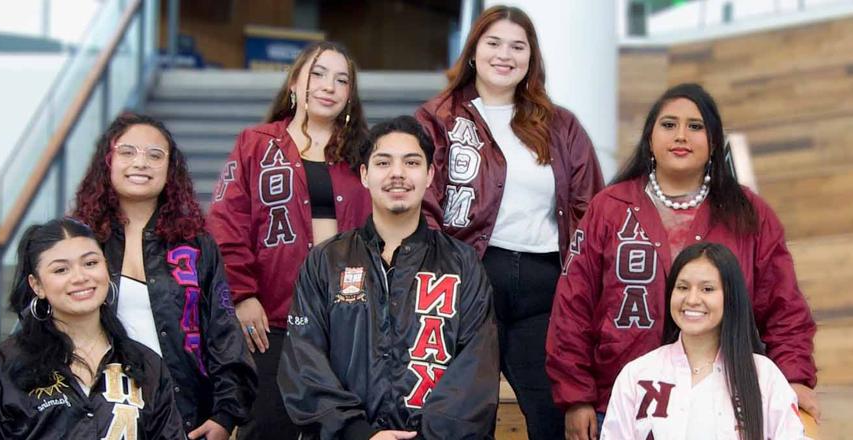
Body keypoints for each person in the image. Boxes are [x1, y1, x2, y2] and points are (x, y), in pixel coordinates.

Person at [547, 83, 818, 440]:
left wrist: (793, 377)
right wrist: (576, 396)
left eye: (695, 126)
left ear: (714, 143)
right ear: (649, 139)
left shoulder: (749, 215)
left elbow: (784, 307)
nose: (681, 136)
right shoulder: (608, 209)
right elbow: (573, 304)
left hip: (727, 401)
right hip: (620, 399)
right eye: (669, 124)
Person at [413, 6, 603, 439]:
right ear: (474, 51)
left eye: (518, 46)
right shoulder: (438, 118)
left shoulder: (560, 125)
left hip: (544, 286)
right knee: (466, 416)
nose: (505, 55)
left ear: (530, 58)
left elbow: (588, 210)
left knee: (550, 415)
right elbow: (423, 205)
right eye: (493, 43)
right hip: (470, 280)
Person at [280, 116, 500, 439]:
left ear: (429, 175)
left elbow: (476, 371)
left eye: (411, 162)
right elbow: (303, 364)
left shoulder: (462, 265)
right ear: (365, 175)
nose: (397, 173)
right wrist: (359, 433)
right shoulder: (325, 262)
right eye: (383, 162)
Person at [206, 41, 372, 440]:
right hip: (273, 316)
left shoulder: (363, 153)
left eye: (341, 79)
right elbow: (227, 222)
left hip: (346, 319)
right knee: (265, 426)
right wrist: (243, 294)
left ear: (350, 95)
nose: (328, 85)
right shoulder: (256, 144)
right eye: (317, 73)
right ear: (295, 83)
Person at [70, 112, 256, 439]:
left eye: (155, 155)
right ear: (107, 161)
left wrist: (225, 415)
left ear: (170, 171)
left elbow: (224, 334)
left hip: (183, 416)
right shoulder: (76, 242)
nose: (141, 163)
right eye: (128, 152)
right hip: (94, 415)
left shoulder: (196, 245)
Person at [0, 218, 182, 439]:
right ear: (37, 286)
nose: (80, 277)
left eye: (90, 263)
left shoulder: (146, 364)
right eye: (61, 270)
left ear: (106, 269)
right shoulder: (6, 364)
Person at [600, 242, 807, 440]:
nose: (691, 299)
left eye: (707, 289)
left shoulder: (764, 376)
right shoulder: (636, 375)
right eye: (682, 287)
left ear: (730, 297)